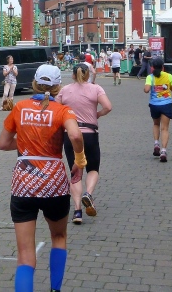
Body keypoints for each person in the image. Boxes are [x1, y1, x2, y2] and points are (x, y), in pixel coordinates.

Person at [0, 64, 85, 292]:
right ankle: (55, 289)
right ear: (58, 87)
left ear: (35, 83)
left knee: (25, 254)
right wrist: (79, 161)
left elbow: (3, 143)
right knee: (59, 236)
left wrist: (26, 144)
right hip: (54, 183)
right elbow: (75, 135)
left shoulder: (20, 108)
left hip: (23, 183)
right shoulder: (63, 110)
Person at [57, 64, 112, 225]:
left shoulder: (65, 90)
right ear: (88, 75)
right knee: (93, 169)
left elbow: (56, 110)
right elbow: (108, 107)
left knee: (76, 173)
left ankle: (77, 211)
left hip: (70, 134)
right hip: (90, 134)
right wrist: (97, 114)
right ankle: (88, 193)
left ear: (73, 75)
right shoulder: (96, 89)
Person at [144, 58, 172, 162]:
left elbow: (146, 90)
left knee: (156, 124)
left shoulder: (150, 77)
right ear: (163, 67)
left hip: (154, 105)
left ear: (152, 67)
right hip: (166, 104)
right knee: (165, 128)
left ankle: (156, 144)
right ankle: (163, 151)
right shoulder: (169, 76)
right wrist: (166, 87)